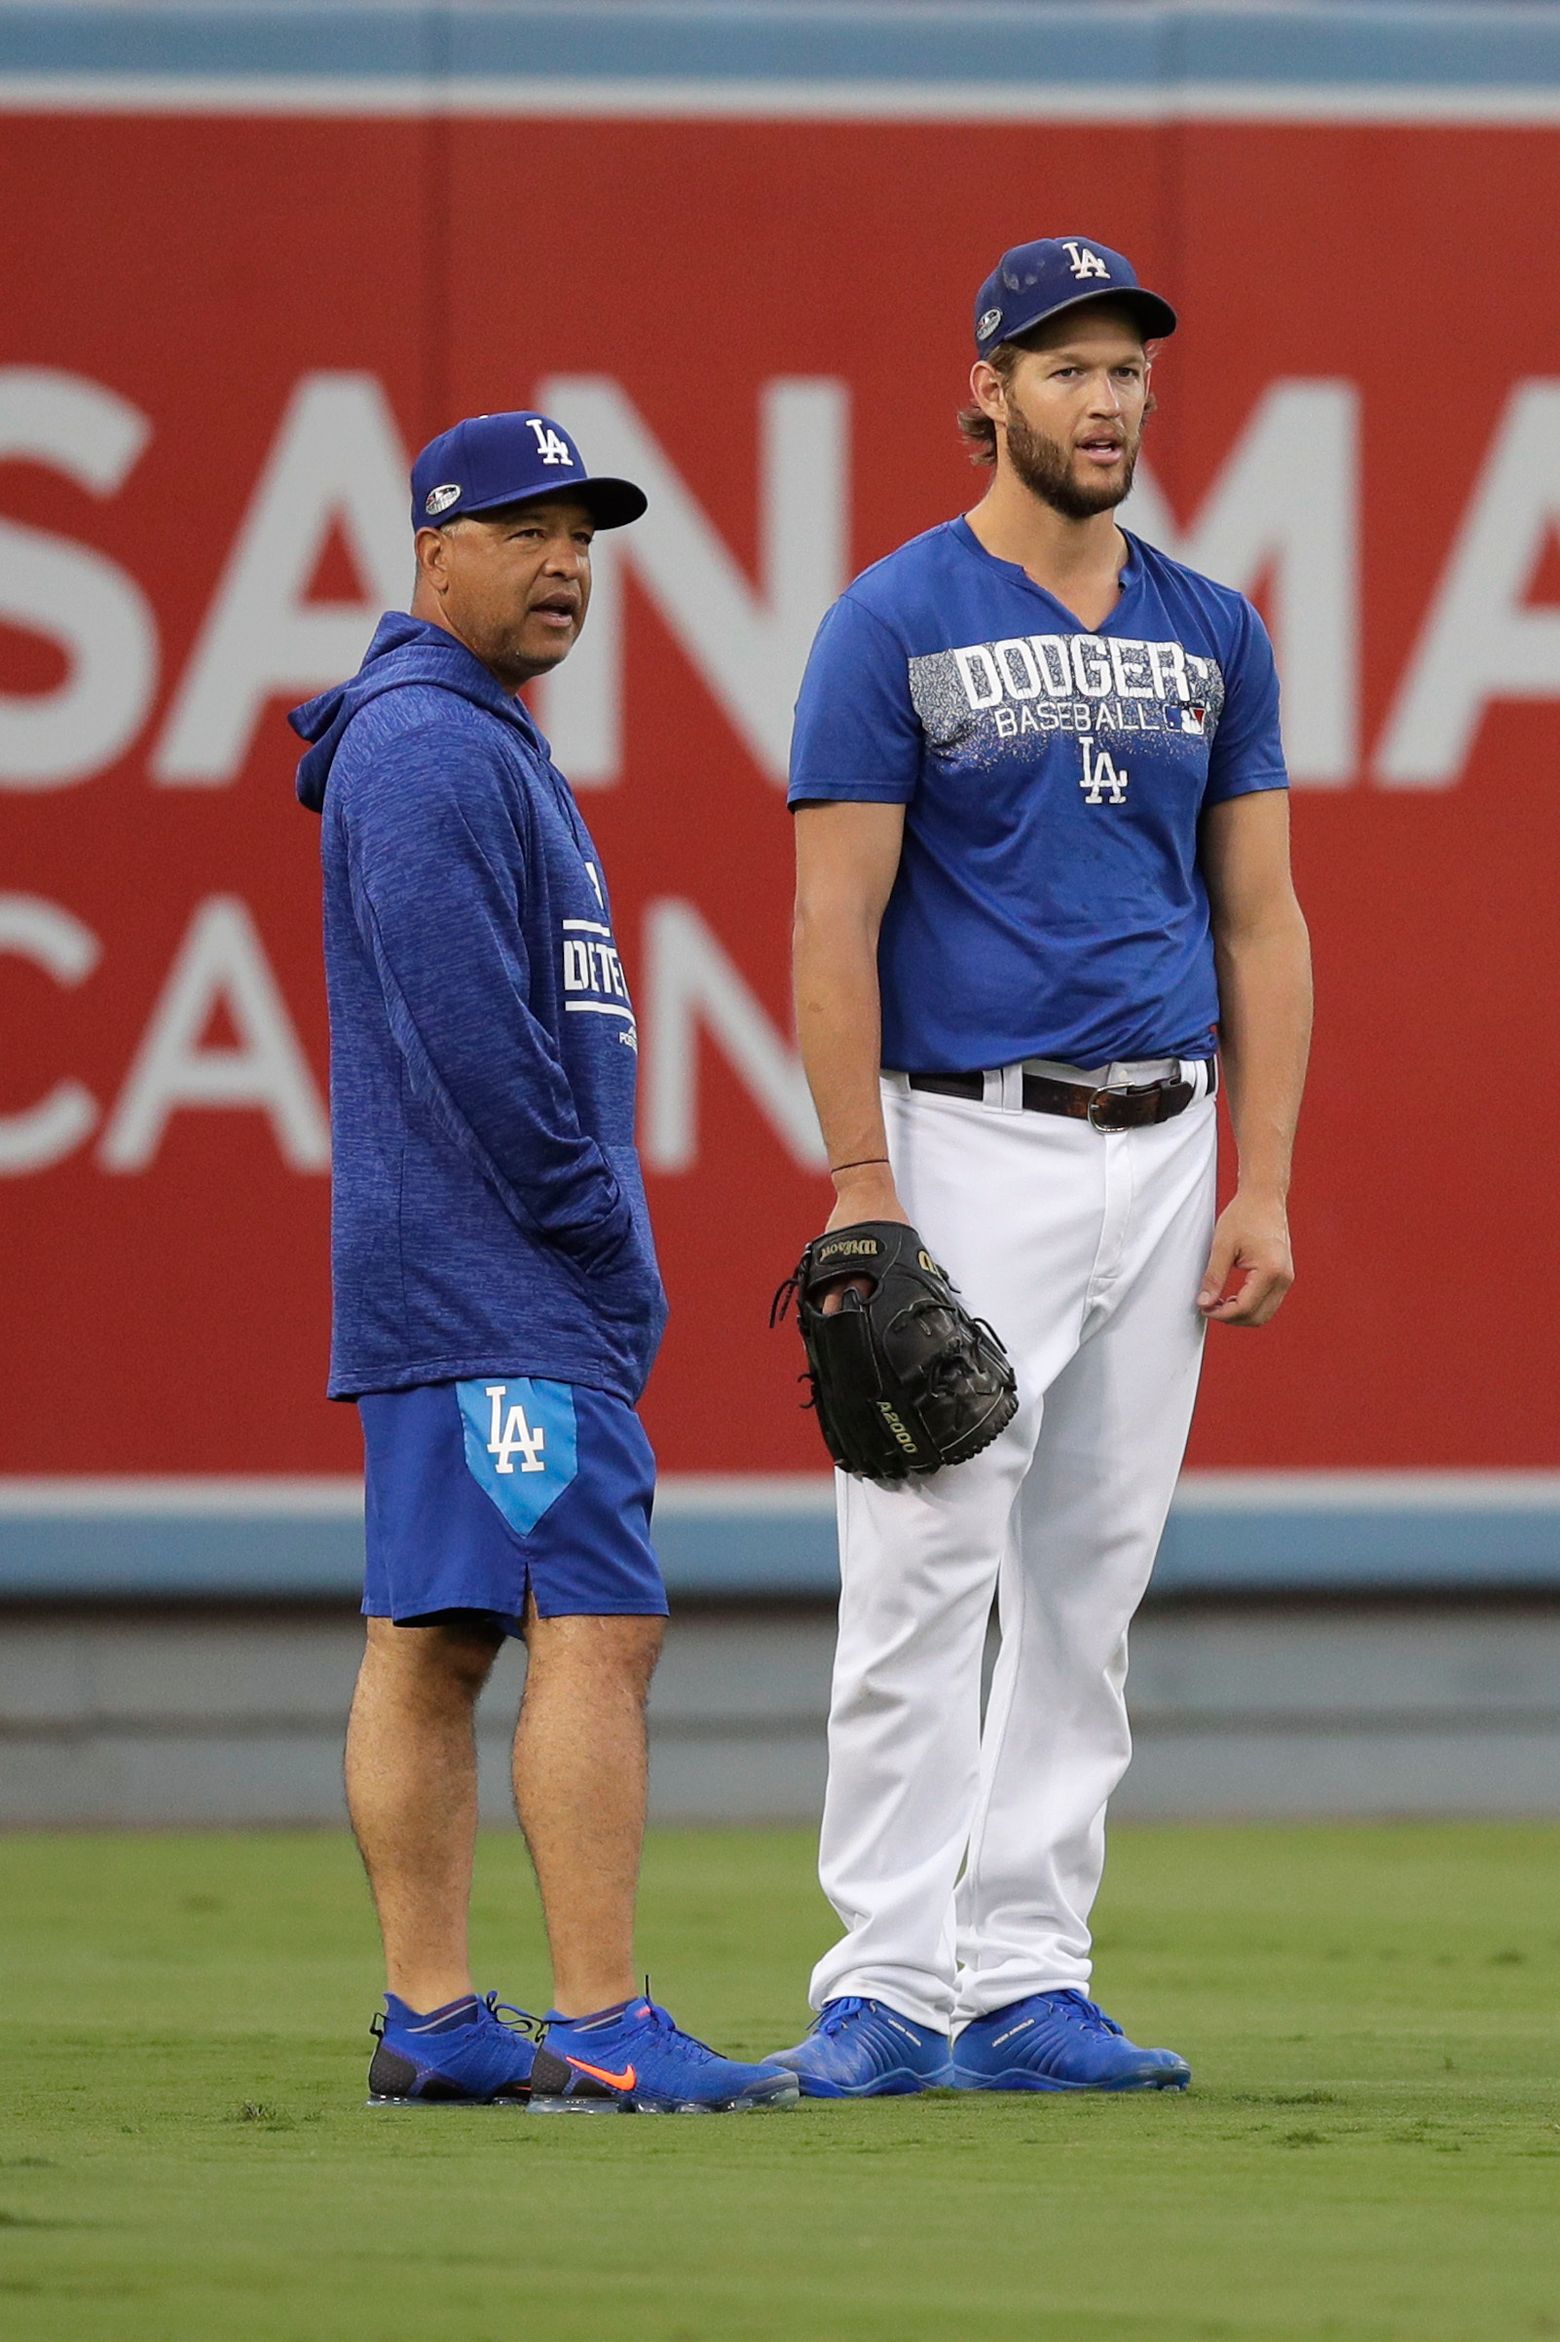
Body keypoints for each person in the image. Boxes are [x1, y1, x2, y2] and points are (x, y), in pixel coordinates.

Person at [768, 238, 1312, 2098]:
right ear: (986, 388)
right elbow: (829, 926)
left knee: (1087, 1582)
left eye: (1131, 370)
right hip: (965, 1131)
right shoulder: (892, 619)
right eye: (1066, 366)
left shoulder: (1211, 627)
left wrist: (1263, 1176)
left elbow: (1263, 919)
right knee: (923, 1568)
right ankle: (883, 1982)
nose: (1107, 401)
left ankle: (1024, 1974)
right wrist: (861, 1174)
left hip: (1164, 1146)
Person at [290, 410, 796, 2116]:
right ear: (434, 550)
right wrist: (592, 1226)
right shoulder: (430, 746)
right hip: (499, 1279)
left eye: (584, 534)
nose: (567, 561)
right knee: (597, 1622)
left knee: (433, 1632)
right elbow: (475, 1039)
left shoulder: (463, 738)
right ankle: (598, 2018)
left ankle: (435, 2016)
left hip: (455, 1279)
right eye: (525, 530)